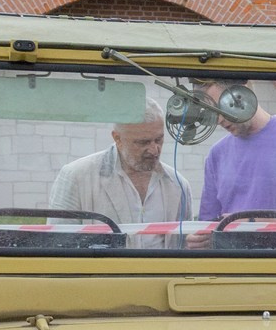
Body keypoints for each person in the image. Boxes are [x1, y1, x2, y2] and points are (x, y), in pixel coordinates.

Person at [49, 100, 192, 244]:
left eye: (159, 139)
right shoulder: (77, 177)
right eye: (143, 142)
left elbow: (187, 246)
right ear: (118, 138)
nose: (154, 149)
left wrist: (197, 243)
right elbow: (57, 245)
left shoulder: (179, 185)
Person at [197, 94, 276, 221]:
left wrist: (251, 221)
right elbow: (208, 221)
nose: (219, 120)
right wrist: (199, 238)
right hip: (228, 240)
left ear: (242, 94)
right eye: (212, 112)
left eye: (221, 107)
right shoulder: (217, 153)